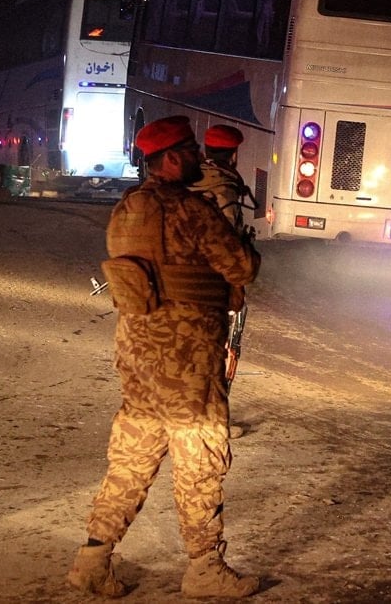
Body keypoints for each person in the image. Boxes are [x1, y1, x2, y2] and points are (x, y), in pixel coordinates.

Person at [67, 116, 262, 599]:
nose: (200, 157)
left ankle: (92, 559)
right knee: (201, 461)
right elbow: (239, 266)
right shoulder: (189, 211)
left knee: (131, 460)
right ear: (172, 158)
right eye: (192, 150)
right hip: (187, 360)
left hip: (138, 357)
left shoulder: (125, 209)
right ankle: (204, 569)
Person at [190, 124, 256, 439]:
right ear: (234, 153)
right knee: (218, 353)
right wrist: (238, 282)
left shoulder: (188, 179)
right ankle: (211, 422)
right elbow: (228, 242)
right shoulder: (224, 187)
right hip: (211, 285)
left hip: (180, 280)